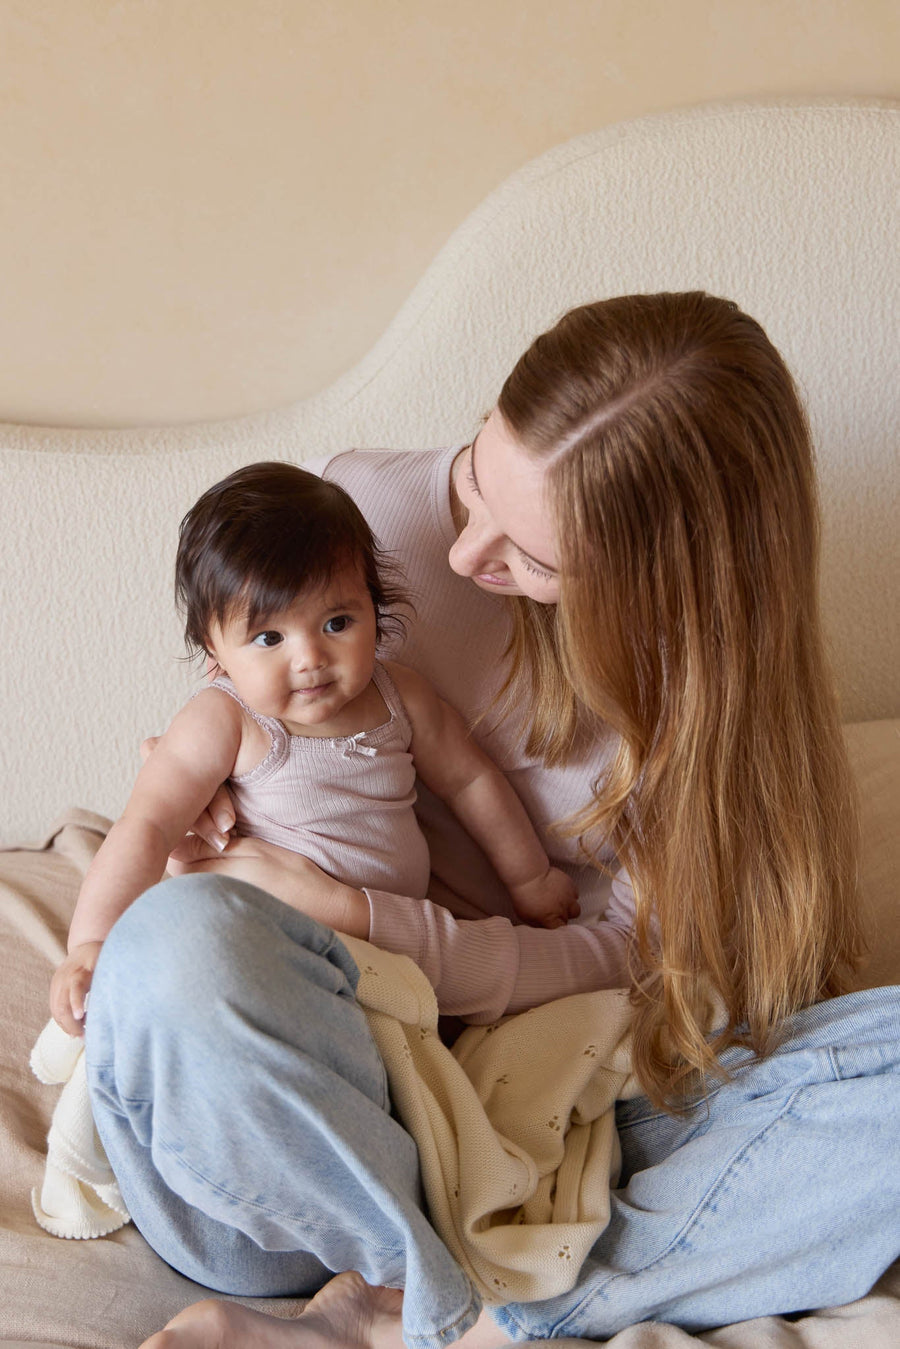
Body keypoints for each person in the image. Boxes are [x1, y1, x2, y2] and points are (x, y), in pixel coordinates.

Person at [82, 293, 900, 1349]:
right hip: (316, 1123)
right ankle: (433, 1281)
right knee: (171, 950)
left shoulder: (719, 740)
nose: (465, 556)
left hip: (564, 1102)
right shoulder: (363, 512)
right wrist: (213, 834)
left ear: (660, 588)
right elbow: (238, 727)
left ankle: (436, 1310)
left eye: (532, 559)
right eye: (476, 477)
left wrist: (368, 914)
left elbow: (635, 965)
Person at [50, 463, 578, 1036]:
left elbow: (470, 780)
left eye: (337, 622)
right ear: (214, 648)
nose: (308, 659)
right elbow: (147, 826)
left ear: (375, 608)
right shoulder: (226, 718)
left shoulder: (400, 695)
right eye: (269, 638)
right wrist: (93, 941)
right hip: (271, 942)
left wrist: (529, 878)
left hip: (389, 951)